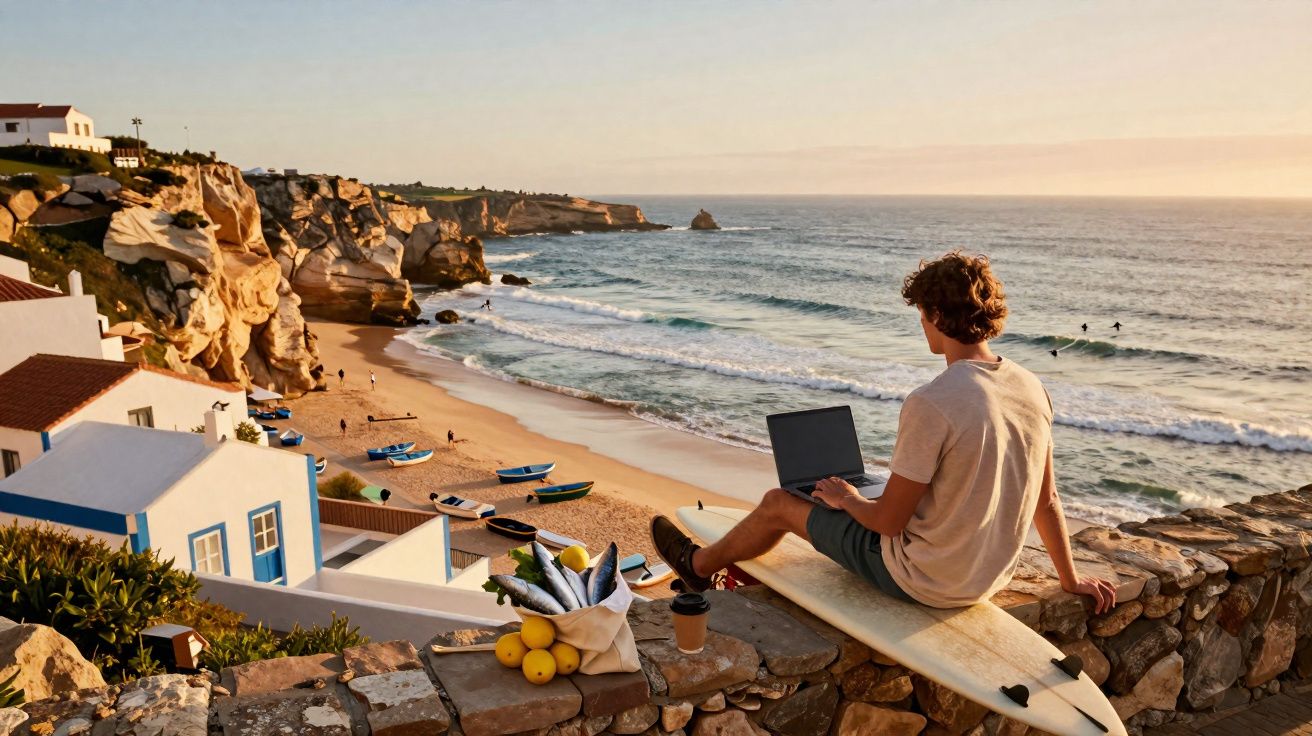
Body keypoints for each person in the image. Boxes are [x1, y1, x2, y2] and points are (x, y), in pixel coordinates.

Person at [650, 251, 1117, 614]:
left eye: (921, 315)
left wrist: (848, 499)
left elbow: (889, 524)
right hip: (988, 578)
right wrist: (1070, 578)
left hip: (923, 581)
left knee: (779, 503)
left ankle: (695, 568)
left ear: (935, 313)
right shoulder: (1031, 386)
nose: (921, 325)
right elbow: (1046, 499)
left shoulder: (932, 401)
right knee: (874, 488)